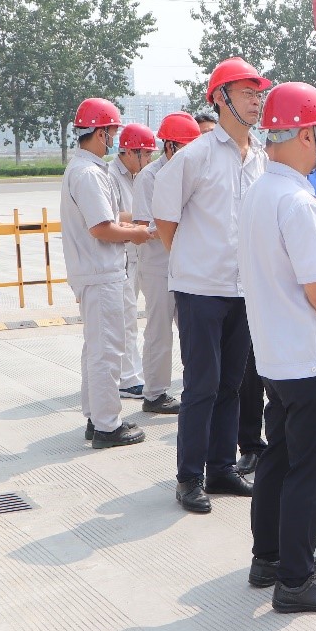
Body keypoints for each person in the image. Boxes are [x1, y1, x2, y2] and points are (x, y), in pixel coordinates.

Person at [239, 82, 316, 614]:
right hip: (310, 358)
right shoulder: (297, 202)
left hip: (275, 354)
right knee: (312, 469)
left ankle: (268, 558)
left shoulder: (259, 193)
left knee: (280, 458)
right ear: (307, 134)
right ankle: (296, 579)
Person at [154, 57, 270, 513]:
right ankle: (189, 477)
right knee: (201, 386)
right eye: (247, 93)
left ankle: (221, 469)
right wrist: (192, 261)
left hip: (244, 291)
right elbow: (166, 219)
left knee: (231, 385)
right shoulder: (195, 156)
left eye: (258, 93)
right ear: (221, 98)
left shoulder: (260, 157)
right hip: (201, 290)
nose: (256, 101)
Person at [61, 98, 153, 448]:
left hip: (95, 272)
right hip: (101, 273)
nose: (114, 138)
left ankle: (95, 417)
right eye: (112, 132)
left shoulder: (85, 169)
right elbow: (101, 228)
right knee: (107, 352)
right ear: (100, 133)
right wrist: (138, 234)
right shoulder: (88, 174)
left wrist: (134, 225)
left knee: (97, 350)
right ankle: (107, 426)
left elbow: (109, 220)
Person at [131, 112, 198, 416]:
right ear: (169, 146)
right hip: (158, 265)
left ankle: (195, 387)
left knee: (192, 331)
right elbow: (145, 226)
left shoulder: (192, 173)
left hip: (187, 263)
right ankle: (155, 393)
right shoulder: (149, 177)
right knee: (159, 331)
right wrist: (182, 225)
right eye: (185, 148)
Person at [108, 123, 154, 401]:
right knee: (125, 320)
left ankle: (134, 373)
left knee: (136, 318)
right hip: (122, 255)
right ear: (129, 151)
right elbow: (112, 214)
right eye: (145, 154)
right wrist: (142, 217)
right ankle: (128, 379)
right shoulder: (110, 175)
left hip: (138, 255)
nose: (148, 159)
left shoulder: (139, 176)